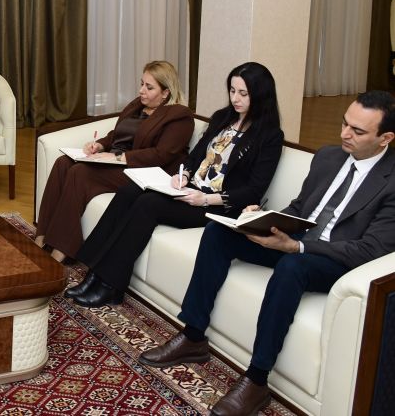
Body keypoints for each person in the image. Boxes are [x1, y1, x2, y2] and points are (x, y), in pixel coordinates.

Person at [138, 91, 395, 416]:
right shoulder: (329, 157)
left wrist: (297, 246)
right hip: (297, 239)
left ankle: (257, 380)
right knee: (219, 232)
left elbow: (370, 249)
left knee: (292, 265)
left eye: (357, 131)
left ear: (386, 138)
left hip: (335, 260)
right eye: (344, 123)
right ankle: (193, 335)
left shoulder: (390, 181)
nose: (345, 134)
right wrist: (265, 220)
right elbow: (300, 208)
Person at [68, 62, 284, 308]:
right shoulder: (222, 118)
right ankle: (93, 271)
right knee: (131, 189)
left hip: (216, 206)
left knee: (148, 204)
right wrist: (184, 174)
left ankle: (111, 285)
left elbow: (254, 190)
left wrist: (204, 199)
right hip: (190, 191)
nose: (235, 99)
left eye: (243, 94)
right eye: (232, 91)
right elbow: (195, 156)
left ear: (260, 94)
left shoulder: (270, 137)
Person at [36, 61, 194, 262]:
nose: (141, 90)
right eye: (142, 84)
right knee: (63, 163)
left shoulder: (180, 116)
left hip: (139, 170)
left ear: (165, 93)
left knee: (79, 172)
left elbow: (161, 154)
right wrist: (100, 145)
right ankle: (41, 238)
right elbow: (118, 134)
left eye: (149, 87)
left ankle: (61, 252)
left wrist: (119, 157)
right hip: (115, 162)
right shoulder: (138, 105)